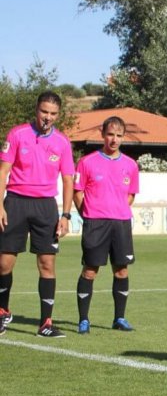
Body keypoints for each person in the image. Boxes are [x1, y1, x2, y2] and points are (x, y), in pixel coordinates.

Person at [0, 91, 75, 338]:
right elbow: (3, 171)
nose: (48, 117)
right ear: (36, 110)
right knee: (4, 263)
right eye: (44, 112)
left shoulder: (63, 142)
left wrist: (65, 215)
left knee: (47, 263)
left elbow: (67, 180)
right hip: (16, 203)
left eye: (53, 114)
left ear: (58, 115)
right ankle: (2, 311)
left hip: (45, 207)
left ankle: (45, 323)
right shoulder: (17, 134)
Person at [73, 116, 140, 334]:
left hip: (121, 224)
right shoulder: (87, 162)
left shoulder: (130, 165)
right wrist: (90, 214)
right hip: (96, 224)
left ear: (123, 137)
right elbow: (78, 193)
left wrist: (117, 210)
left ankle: (119, 318)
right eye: (110, 134)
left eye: (118, 136)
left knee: (121, 270)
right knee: (90, 270)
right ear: (102, 134)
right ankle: (84, 319)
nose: (114, 140)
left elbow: (130, 196)